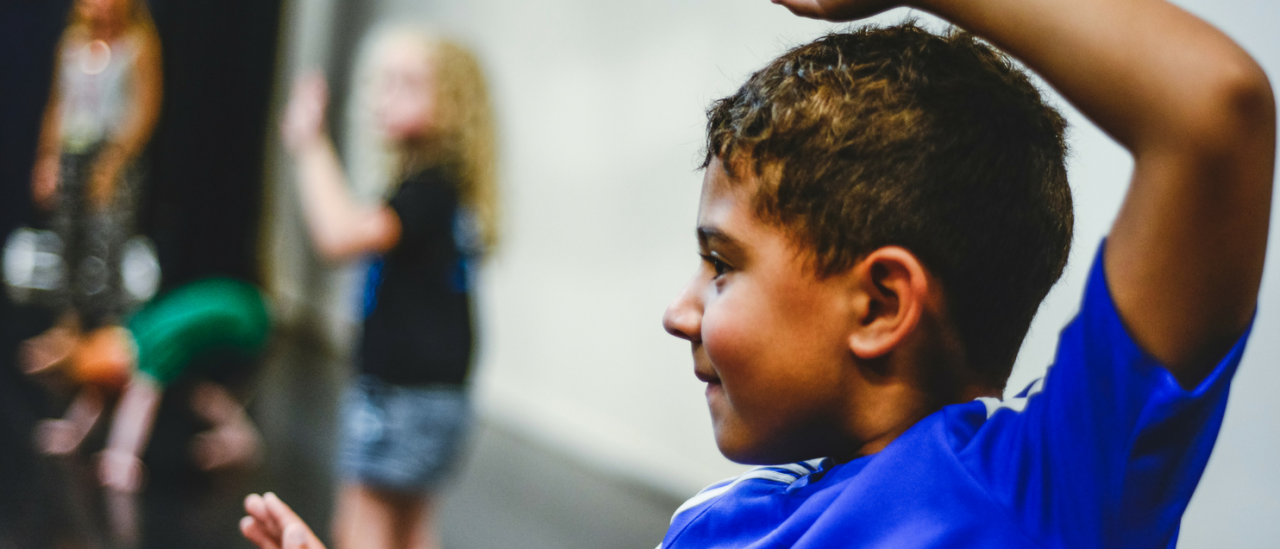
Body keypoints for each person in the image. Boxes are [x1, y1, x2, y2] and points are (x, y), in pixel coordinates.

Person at [241, 0, 1275, 547]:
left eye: (718, 266)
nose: (677, 312)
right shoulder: (720, 527)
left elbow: (1212, 118)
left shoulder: (1045, 491)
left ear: (878, 303)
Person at [267, 25, 498, 549]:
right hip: (438, 397)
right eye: (383, 81)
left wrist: (308, 145)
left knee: (360, 530)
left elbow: (338, 234)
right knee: (411, 528)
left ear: (452, 105)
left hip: (402, 398)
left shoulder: (428, 191)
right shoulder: (437, 191)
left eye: (406, 83)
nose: (384, 94)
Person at [23, 0, 163, 374]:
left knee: (107, 240)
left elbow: (145, 106)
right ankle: (66, 328)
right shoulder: (71, 43)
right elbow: (58, 105)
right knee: (67, 238)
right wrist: (47, 158)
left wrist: (114, 163)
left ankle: (105, 334)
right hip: (73, 150)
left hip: (112, 152)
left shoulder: (137, 44)